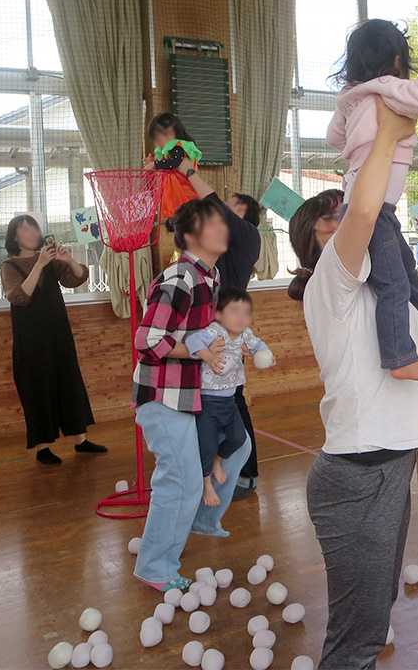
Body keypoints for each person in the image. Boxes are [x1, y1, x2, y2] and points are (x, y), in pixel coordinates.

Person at [289, 98, 418, 669]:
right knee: (356, 640)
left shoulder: (382, 291)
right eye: (331, 216)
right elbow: (366, 212)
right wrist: (389, 134)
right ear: (313, 240)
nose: (349, 218)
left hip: (390, 468)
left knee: (371, 623)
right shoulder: (331, 279)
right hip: (357, 479)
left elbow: (377, 222)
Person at [325, 19, 418, 382]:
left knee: (404, 263)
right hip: (373, 207)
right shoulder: (388, 87)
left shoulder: (352, 95)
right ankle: (400, 356)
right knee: (392, 282)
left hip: (373, 204)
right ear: (398, 59)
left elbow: (334, 137)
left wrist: (359, 135)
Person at [132, 198, 235, 591]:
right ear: (191, 235)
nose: (223, 229)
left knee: (235, 447)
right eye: (212, 224)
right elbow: (147, 339)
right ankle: (155, 567)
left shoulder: (211, 276)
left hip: (189, 395)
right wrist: (201, 352)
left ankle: (198, 520)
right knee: (180, 480)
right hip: (162, 396)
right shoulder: (180, 279)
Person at [179, 162, 264, 498]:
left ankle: (246, 474)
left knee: (233, 404)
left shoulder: (248, 235)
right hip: (213, 333)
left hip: (223, 334)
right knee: (219, 404)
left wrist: (187, 171)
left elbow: (212, 204)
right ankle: (218, 472)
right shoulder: (220, 250)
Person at [0, 215, 106, 465]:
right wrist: (39, 264)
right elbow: (20, 297)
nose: (31, 233)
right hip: (31, 341)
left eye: (34, 228)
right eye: (25, 229)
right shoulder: (9, 266)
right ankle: (43, 448)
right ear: (14, 236)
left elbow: (78, 278)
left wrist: (68, 260)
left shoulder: (50, 261)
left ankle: (80, 440)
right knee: (37, 388)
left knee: (69, 382)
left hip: (59, 334)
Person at [186, 288, 273, 514]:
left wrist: (267, 356)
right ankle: (206, 484)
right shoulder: (215, 332)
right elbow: (192, 340)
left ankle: (218, 460)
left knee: (238, 438)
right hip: (208, 402)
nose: (241, 317)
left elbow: (259, 346)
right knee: (206, 445)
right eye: (235, 311)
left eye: (246, 312)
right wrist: (209, 356)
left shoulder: (245, 335)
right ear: (219, 315)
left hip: (230, 401)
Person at [145, 111, 202, 221]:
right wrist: (153, 161)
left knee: (185, 220)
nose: (157, 143)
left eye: (158, 139)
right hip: (175, 195)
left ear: (169, 134)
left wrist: (155, 164)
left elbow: (174, 162)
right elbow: (167, 163)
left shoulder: (178, 147)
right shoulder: (170, 150)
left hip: (184, 194)